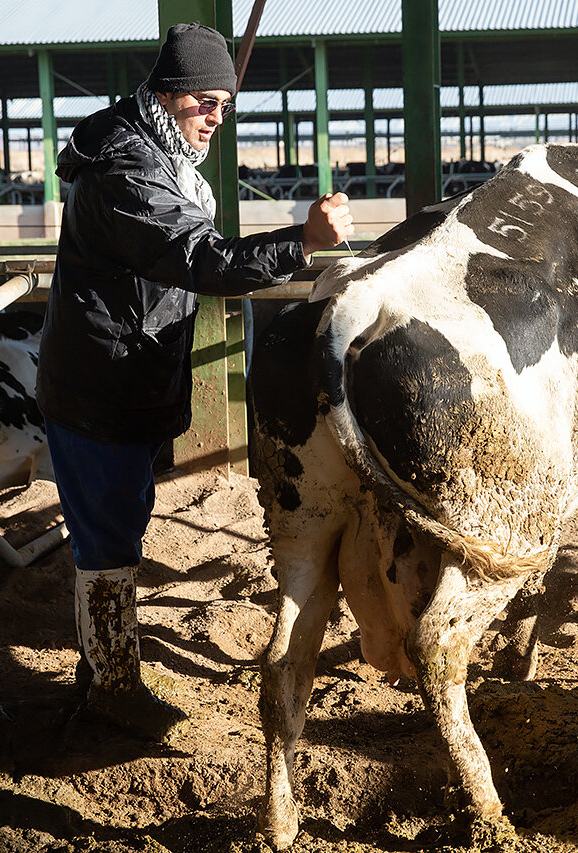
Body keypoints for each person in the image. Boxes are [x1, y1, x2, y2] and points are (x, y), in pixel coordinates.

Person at [36, 21, 353, 744]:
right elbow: (202, 261)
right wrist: (301, 244)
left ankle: (100, 667)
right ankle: (113, 690)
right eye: (205, 102)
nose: (215, 117)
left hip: (124, 374)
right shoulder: (127, 169)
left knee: (114, 531)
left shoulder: (153, 144)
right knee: (109, 544)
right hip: (100, 388)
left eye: (224, 105)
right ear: (169, 93)